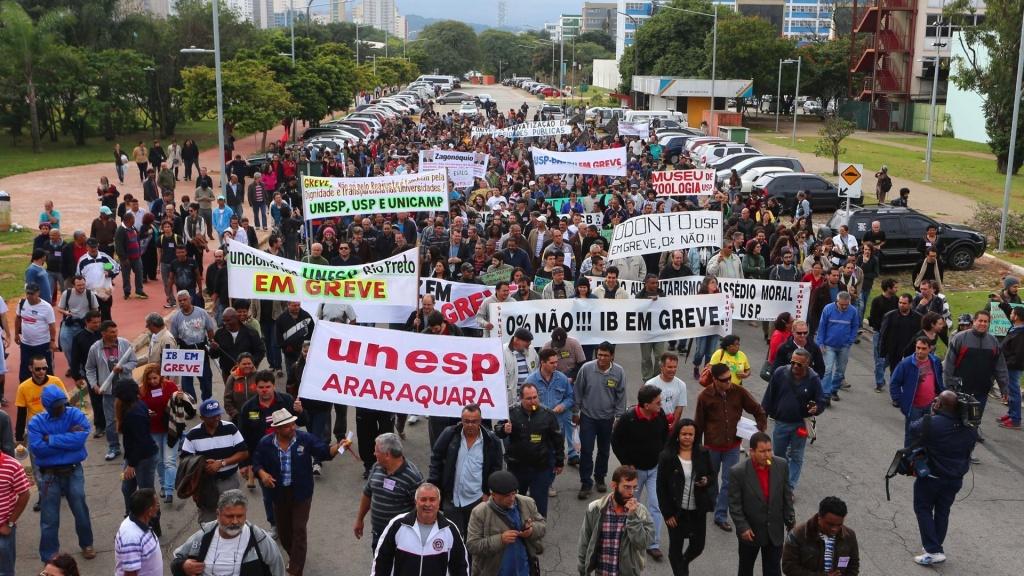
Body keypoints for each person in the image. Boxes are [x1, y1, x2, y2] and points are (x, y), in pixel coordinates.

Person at [253, 409, 346, 576]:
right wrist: (262, 474)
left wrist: (340, 447)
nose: (293, 427)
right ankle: (294, 556)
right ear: (277, 429)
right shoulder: (265, 443)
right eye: (288, 426)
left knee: (299, 530)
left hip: (301, 493)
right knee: (284, 533)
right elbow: (257, 462)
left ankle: (296, 569)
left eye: (293, 424)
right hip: (278, 494)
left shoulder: (305, 439)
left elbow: (324, 452)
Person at [694, 363, 768, 533]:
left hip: (733, 446)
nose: (729, 382)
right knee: (711, 479)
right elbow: (698, 423)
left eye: (730, 378)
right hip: (712, 446)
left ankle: (721, 515)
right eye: (724, 380)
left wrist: (760, 428)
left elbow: (757, 409)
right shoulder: (704, 397)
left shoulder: (738, 391)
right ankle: (711, 504)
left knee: (729, 481)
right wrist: (697, 449)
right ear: (714, 380)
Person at [27, 385, 95, 563]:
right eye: (57, 405)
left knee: (80, 510)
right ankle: (49, 554)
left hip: (73, 470)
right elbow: (38, 449)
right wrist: (67, 440)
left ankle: (87, 544)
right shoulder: (36, 422)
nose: (62, 408)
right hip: (49, 476)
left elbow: (81, 438)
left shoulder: (74, 414)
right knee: (49, 517)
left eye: (62, 404)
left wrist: (51, 439)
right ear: (48, 406)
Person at [909, 390, 976, 565]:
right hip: (955, 479)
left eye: (937, 400)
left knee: (923, 509)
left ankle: (933, 550)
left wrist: (932, 414)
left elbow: (913, 427)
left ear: (940, 404)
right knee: (942, 511)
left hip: (932, 477)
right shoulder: (970, 428)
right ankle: (935, 546)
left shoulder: (932, 423)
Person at [612, 384, 670, 562]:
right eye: (657, 402)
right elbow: (616, 441)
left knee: (656, 505)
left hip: (654, 469)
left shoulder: (659, 414)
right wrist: (626, 464)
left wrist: (663, 455)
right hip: (634, 473)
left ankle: (652, 544)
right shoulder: (628, 419)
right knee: (628, 506)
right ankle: (624, 539)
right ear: (646, 405)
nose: (661, 404)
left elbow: (665, 436)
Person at [428, 404, 504, 539]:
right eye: (466, 421)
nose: (470, 425)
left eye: (474, 421)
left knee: (473, 539)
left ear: (480, 421)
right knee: (451, 538)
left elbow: (496, 469)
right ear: (461, 420)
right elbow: (436, 458)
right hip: (451, 499)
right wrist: (434, 486)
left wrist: (488, 492)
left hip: (477, 500)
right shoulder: (449, 434)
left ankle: (469, 560)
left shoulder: (492, 441)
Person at [170, 489, 285, 576]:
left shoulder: (260, 539)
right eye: (229, 516)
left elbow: (277, 569)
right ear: (218, 514)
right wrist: (183, 566)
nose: (235, 521)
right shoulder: (203, 536)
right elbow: (177, 558)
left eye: (240, 516)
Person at [729, 432, 795, 576]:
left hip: (774, 531)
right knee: (746, 569)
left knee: (773, 570)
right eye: (762, 451)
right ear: (752, 451)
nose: (767, 455)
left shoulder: (781, 465)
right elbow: (735, 505)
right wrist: (743, 527)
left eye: (769, 450)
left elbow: (786, 494)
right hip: (751, 532)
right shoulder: (738, 472)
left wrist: (790, 519)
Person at [656, 418, 715, 576]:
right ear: (677, 435)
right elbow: (661, 487)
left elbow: (712, 475)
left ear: (696, 436)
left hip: (697, 509)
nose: (687, 437)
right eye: (684, 434)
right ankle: (681, 571)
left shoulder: (703, 453)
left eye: (691, 434)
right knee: (675, 549)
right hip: (676, 511)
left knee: (698, 546)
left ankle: (684, 562)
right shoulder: (667, 457)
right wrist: (667, 513)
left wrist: (706, 481)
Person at [495, 383, 564, 517]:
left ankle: (538, 530)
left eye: (535, 397)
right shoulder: (510, 413)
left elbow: (557, 438)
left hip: (540, 468)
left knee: (539, 504)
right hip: (517, 468)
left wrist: (559, 461)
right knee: (515, 502)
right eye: (529, 398)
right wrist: (503, 429)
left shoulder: (547, 414)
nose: (533, 401)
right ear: (521, 398)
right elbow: (498, 431)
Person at [761, 349, 825, 490]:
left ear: (808, 364)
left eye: (799, 364)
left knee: (796, 456)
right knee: (778, 455)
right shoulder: (780, 373)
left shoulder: (813, 379)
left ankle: (789, 487)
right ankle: (779, 480)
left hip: (800, 424)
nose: (795, 366)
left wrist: (817, 408)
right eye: (793, 362)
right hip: (781, 423)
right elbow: (769, 396)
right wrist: (762, 417)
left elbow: (821, 401)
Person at [371, 483, 469, 576]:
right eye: (423, 499)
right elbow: (381, 561)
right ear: (416, 502)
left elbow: (460, 567)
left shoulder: (450, 529)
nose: (427, 504)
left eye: (432, 499)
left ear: (439, 503)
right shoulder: (398, 525)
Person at [943, 309, 1008, 450]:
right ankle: (950, 448)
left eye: (986, 321)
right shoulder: (960, 338)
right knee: (955, 419)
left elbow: (1000, 366)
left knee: (974, 422)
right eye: (980, 321)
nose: (983, 324)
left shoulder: (993, 341)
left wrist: (1004, 387)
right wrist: (948, 385)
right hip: (960, 390)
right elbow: (949, 364)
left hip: (981, 391)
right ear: (974, 322)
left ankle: (967, 451)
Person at [180, 398, 250, 523]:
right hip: (205, 485)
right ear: (202, 418)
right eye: (212, 416)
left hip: (229, 482)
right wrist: (203, 465)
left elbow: (243, 453)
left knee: (232, 518)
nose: (217, 418)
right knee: (208, 522)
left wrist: (221, 463)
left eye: (218, 414)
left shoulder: (230, 428)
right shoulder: (192, 434)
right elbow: (185, 461)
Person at [465, 470, 547, 576]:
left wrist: (531, 531)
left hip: (524, 570)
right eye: (506, 495)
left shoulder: (527, 503)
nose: (512, 498)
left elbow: (542, 526)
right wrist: (500, 540)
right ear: (493, 494)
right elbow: (472, 545)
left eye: (514, 493)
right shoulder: (480, 513)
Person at [577, 465, 655, 576]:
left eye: (634, 487)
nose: (631, 492)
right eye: (627, 487)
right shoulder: (595, 509)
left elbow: (644, 543)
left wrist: (633, 518)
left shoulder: (641, 512)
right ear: (614, 485)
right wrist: (582, 570)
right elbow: (585, 541)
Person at [575, 341, 627, 500]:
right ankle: (585, 482)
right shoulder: (586, 369)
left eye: (605, 355)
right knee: (586, 450)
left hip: (607, 419)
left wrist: (619, 417)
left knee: (604, 450)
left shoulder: (619, 372)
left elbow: (621, 396)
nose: (601, 358)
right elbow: (578, 390)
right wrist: (576, 411)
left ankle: (600, 477)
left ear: (612, 356)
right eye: (599, 355)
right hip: (588, 417)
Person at [354, 433, 423, 550]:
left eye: (376, 451)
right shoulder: (377, 467)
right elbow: (367, 494)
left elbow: (421, 508)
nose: (374, 453)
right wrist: (359, 520)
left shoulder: (413, 477)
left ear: (387, 455)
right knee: (379, 567)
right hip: (378, 534)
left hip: (401, 538)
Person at [85, 320, 137, 460]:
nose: (115, 334)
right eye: (112, 332)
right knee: (110, 421)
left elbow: (133, 361)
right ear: (103, 333)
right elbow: (89, 368)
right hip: (108, 392)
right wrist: (94, 384)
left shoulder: (124, 343)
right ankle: (114, 447)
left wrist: (123, 368)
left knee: (130, 418)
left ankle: (131, 446)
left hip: (126, 390)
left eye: (116, 331)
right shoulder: (95, 348)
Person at [115, 380, 161, 537]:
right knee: (127, 488)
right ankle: (131, 519)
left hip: (143, 458)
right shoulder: (135, 407)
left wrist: (131, 465)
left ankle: (153, 524)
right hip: (134, 456)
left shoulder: (134, 413)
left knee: (146, 493)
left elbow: (140, 441)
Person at [138, 364, 187, 503]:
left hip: (171, 429)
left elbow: (181, 405)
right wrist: (146, 412)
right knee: (159, 460)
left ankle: (170, 490)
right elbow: (139, 407)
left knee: (169, 460)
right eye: (149, 379)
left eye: (155, 378)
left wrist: (180, 396)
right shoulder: (142, 391)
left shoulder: (170, 386)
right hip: (153, 430)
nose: (152, 381)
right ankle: (164, 485)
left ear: (160, 376)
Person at [524, 348, 577, 468]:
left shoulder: (562, 378)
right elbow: (524, 403)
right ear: (542, 362)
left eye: (556, 362)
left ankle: (549, 481)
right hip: (538, 425)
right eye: (552, 363)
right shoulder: (531, 381)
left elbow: (570, 397)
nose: (555, 365)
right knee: (540, 453)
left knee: (555, 454)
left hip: (557, 424)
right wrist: (535, 409)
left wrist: (562, 406)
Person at [782, 496, 860, 575]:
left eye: (839, 525)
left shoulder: (849, 536)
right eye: (830, 524)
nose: (835, 529)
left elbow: (853, 565)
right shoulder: (798, 535)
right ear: (819, 517)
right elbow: (789, 567)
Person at [169, 290, 216, 400]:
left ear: (190, 299)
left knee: (206, 380)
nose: (182, 302)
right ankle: (191, 407)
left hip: (201, 351)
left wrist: (211, 341)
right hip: (185, 353)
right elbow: (174, 338)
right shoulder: (176, 318)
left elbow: (209, 329)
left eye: (185, 300)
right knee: (186, 383)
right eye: (180, 301)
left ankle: (207, 403)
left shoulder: (201, 312)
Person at [816, 292, 860, 403]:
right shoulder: (828, 309)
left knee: (840, 371)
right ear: (837, 301)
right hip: (829, 345)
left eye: (846, 305)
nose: (844, 307)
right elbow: (822, 326)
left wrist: (850, 340)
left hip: (844, 346)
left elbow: (855, 326)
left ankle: (833, 390)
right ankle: (825, 394)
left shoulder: (853, 311)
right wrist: (820, 343)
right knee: (828, 369)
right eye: (842, 305)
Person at [0, 431, 30, 576]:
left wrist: (10, 523)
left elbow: (24, 494)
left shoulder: (12, 466)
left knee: (5, 571)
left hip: (2, 529)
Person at [114, 487, 162, 576]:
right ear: (149, 511)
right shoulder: (131, 538)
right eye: (157, 504)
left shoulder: (143, 521)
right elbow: (130, 573)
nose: (158, 506)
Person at [14, 283, 57, 382]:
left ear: (38, 293)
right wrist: (16, 334)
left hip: (42, 345)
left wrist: (52, 341)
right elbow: (18, 318)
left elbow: (52, 326)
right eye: (27, 293)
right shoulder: (22, 303)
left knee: (46, 370)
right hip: (26, 345)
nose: (29, 296)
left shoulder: (46, 307)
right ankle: (25, 391)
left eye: (32, 293)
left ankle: (49, 391)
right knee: (25, 371)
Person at [55, 276, 99, 369]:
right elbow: (59, 308)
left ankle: (85, 367)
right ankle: (73, 367)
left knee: (85, 348)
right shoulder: (66, 293)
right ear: (73, 285)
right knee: (66, 347)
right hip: (69, 323)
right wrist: (66, 312)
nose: (82, 287)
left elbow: (95, 309)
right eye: (79, 285)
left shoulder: (90, 294)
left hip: (84, 325)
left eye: (83, 284)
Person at [636, 273, 667, 380]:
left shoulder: (662, 295)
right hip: (645, 332)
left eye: (657, 283)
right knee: (646, 357)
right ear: (646, 283)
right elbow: (636, 312)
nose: (655, 285)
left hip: (659, 331)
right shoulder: (639, 296)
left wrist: (659, 301)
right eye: (653, 283)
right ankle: (647, 378)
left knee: (659, 356)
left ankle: (657, 377)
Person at [998, 306, 1024, 430]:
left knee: (1014, 392)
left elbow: (1018, 356)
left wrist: (1006, 365)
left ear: (1017, 317)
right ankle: (1011, 414)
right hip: (1009, 365)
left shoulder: (1021, 334)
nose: (1010, 315)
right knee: (1010, 392)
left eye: (1012, 313)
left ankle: (1015, 419)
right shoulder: (1016, 328)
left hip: (1012, 367)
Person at [502, 328, 539, 406]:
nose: (529, 345)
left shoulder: (531, 349)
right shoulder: (502, 351)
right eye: (527, 343)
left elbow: (537, 369)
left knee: (533, 417)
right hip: (511, 402)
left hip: (530, 400)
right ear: (517, 340)